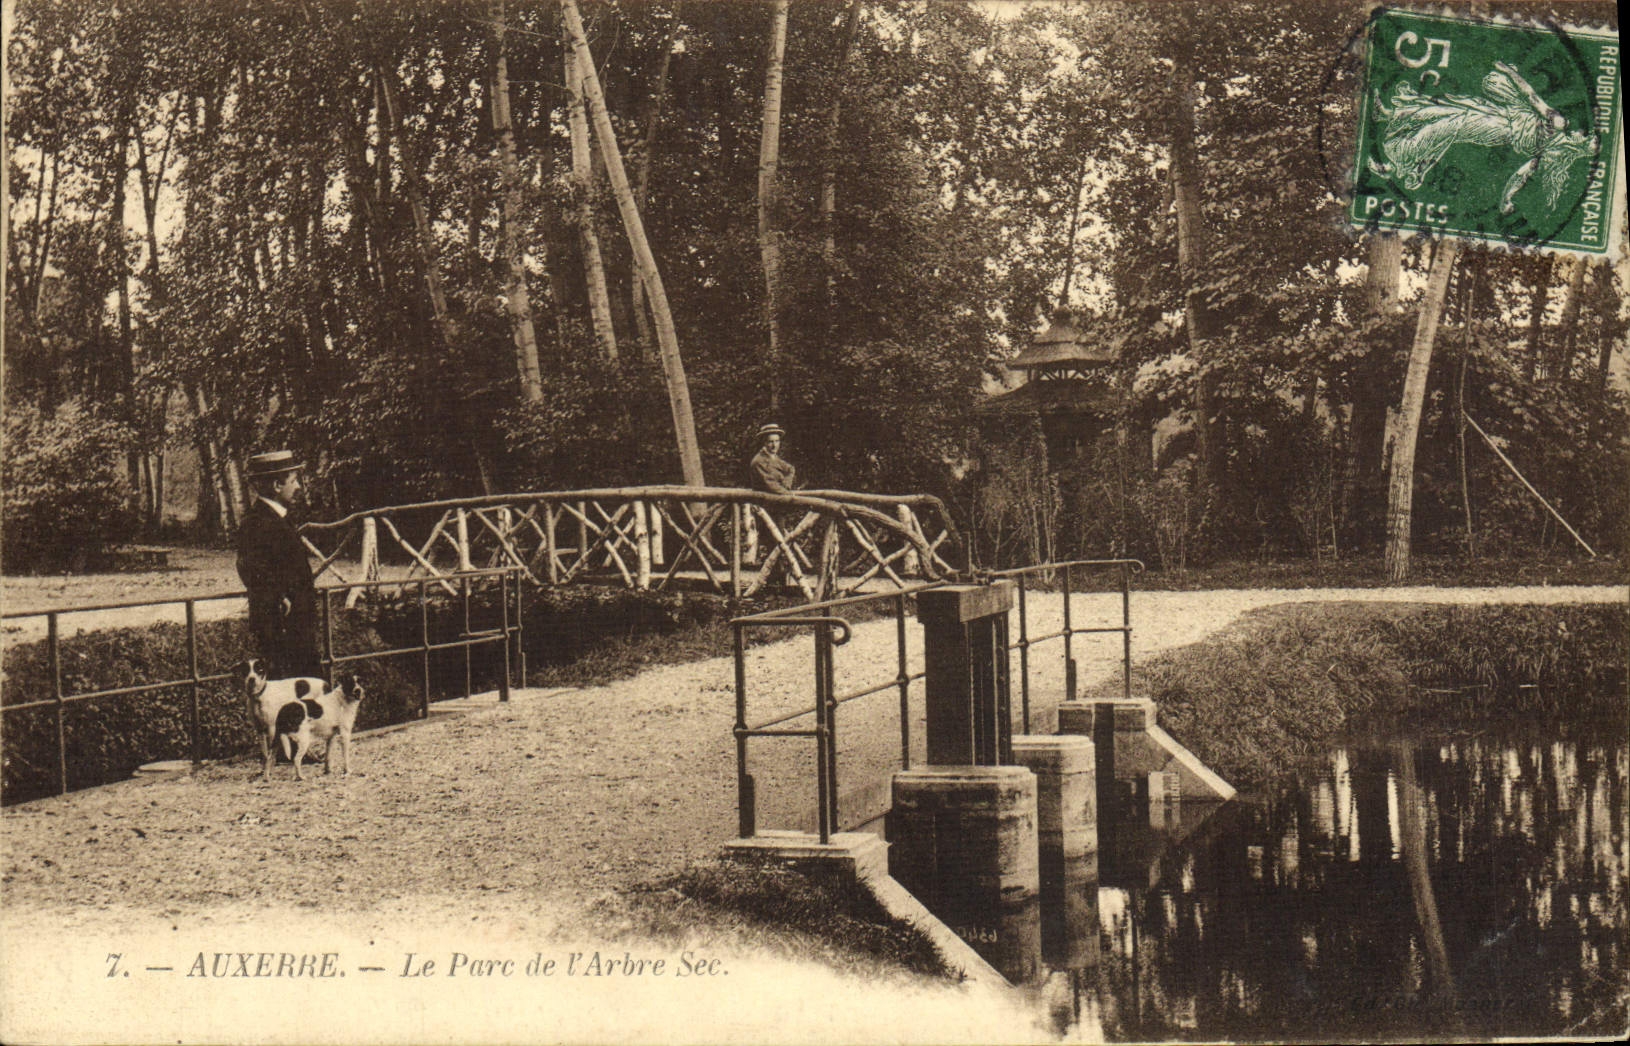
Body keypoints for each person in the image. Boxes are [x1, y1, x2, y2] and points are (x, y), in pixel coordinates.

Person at [236, 450, 322, 681]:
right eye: (294, 481)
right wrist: (277, 596)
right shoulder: (257, 522)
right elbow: (249, 567)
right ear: (276, 485)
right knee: (288, 693)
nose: (298, 487)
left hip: (296, 626)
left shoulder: (278, 519)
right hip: (279, 626)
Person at [748, 423, 798, 494]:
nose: (774, 445)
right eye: (770, 442)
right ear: (764, 442)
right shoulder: (759, 461)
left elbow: (791, 469)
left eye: (777, 441)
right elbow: (772, 486)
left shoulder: (774, 458)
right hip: (764, 501)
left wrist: (787, 483)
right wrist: (789, 494)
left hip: (778, 497)